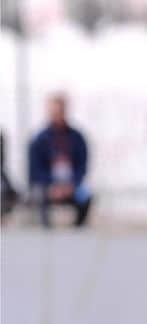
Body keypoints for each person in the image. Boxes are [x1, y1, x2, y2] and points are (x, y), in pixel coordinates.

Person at [28, 94, 93, 228]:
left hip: (71, 185)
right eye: (54, 112)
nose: (57, 115)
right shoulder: (40, 139)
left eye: (60, 111)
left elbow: (82, 166)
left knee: (86, 196)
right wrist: (52, 185)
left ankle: (77, 229)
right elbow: (35, 169)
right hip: (48, 185)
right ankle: (46, 233)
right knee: (39, 195)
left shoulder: (77, 138)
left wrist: (72, 184)